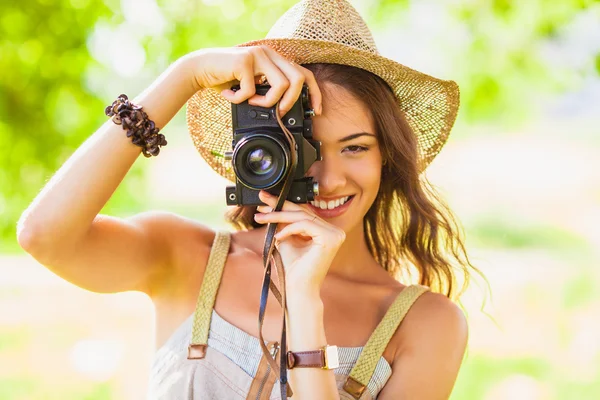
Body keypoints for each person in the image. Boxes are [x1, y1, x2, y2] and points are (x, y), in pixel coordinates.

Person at [17, 0, 481, 398]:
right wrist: (185, 74)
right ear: (261, 151)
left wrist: (304, 302)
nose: (329, 178)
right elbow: (44, 236)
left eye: (356, 147)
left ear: (388, 157)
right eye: (303, 148)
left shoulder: (425, 324)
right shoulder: (187, 257)